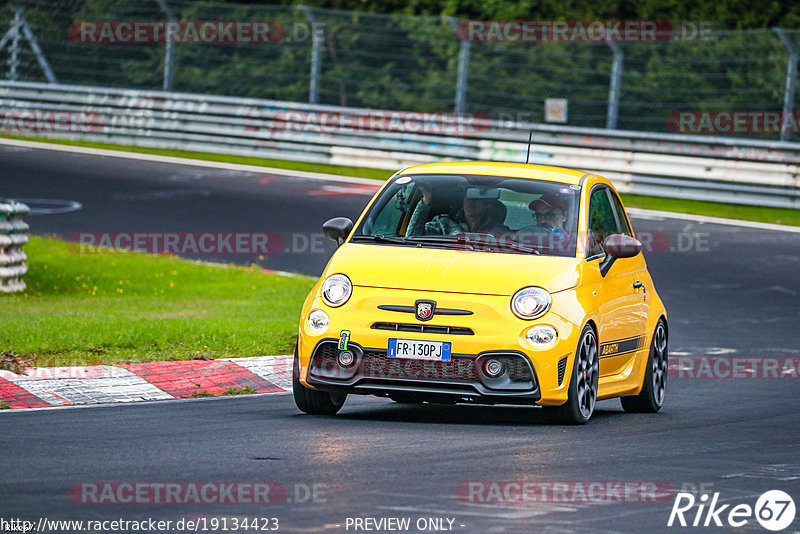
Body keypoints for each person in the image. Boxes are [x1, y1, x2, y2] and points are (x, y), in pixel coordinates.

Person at [406, 184, 508, 236]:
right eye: (468, 197)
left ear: (488, 204)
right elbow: (411, 238)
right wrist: (427, 198)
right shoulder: (443, 224)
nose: (470, 202)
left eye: (476, 199)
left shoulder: (500, 233)